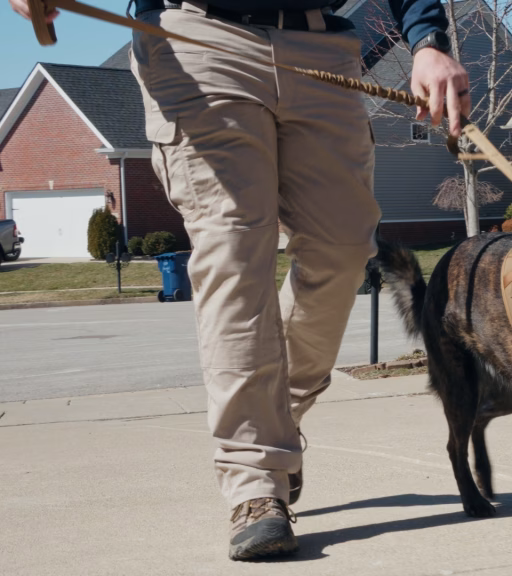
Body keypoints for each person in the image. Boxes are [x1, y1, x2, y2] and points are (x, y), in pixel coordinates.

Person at [10, 0, 469, 561]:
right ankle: (256, 484)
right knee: (233, 253)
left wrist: (427, 42)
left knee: (345, 248)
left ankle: (282, 411)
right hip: (198, 39)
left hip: (322, 45)